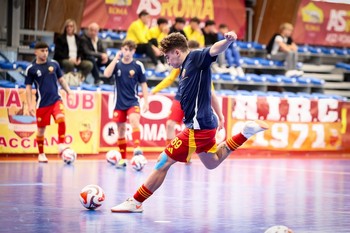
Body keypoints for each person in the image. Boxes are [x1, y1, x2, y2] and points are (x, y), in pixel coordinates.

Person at [110, 32, 268, 212]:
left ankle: (135, 202)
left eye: (168, 56)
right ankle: (244, 133)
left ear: (177, 52)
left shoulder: (195, 58)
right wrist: (220, 116)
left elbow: (214, 50)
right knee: (212, 162)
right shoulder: (184, 68)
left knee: (163, 161)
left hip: (198, 128)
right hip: (205, 125)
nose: (167, 61)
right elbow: (210, 92)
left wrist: (228, 41)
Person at [151, 40, 224, 146]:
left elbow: (210, 91)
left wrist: (220, 115)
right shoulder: (182, 63)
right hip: (180, 98)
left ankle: (184, 155)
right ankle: (169, 152)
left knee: (191, 127)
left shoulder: (202, 65)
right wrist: (155, 90)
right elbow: (170, 78)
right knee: (170, 124)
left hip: (195, 101)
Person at [103, 40, 149, 168]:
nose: (127, 52)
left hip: (133, 101)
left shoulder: (138, 65)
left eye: (130, 50)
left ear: (134, 51)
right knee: (121, 130)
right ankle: (123, 159)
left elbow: (144, 84)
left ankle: (137, 148)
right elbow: (106, 74)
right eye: (125, 49)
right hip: (119, 103)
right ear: (122, 50)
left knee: (134, 120)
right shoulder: (117, 64)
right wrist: (115, 59)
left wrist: (146, 101)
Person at [25, 42, 72, 163]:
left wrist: (69, 92)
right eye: (42, 51)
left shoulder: (54, 64)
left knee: (61, 118)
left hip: (56, 99)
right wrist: (30, 105)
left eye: (46, 51)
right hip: (42, 104)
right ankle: (41, 154)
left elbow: (61, 80)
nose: (45, 53)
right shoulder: (31, 69)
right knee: (41, 130)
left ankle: (61, 144)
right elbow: (29, 89)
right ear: (36, 52)